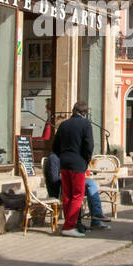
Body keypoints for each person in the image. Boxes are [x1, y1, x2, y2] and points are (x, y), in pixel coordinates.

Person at [52, 100, 94, 236]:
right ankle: (69, 226)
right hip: (78, 163)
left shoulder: (63, 124)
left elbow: (55, 146)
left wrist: (62, 156)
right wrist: (86, 160)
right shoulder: (85, 124)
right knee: (77, 195)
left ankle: (71, 223)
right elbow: (89, 145)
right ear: (84, 112)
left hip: (64, 162)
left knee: (67, 195)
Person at [43, 151, 111, 230]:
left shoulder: (65, 156)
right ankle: (94, 217)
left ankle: (96, 217)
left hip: (69, 186)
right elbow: (54, 180)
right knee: (89, 185)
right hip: (62, 190)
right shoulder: (54, 158)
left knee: (91, 184)